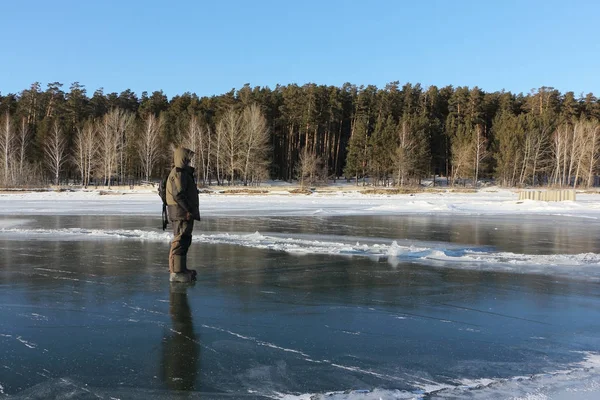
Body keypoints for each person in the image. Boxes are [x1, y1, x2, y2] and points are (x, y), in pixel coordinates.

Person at [166, 147, 201, 282]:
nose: (189, 162)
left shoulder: (183, 173)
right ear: (182, 159)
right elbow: (178, 194)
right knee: (180, 240)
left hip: (183, 212)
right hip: (181, 212)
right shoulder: (178, 173)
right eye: (188, 159)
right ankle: (176, 272)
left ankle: (181, 269)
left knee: (184, 239)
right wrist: (188, 210)